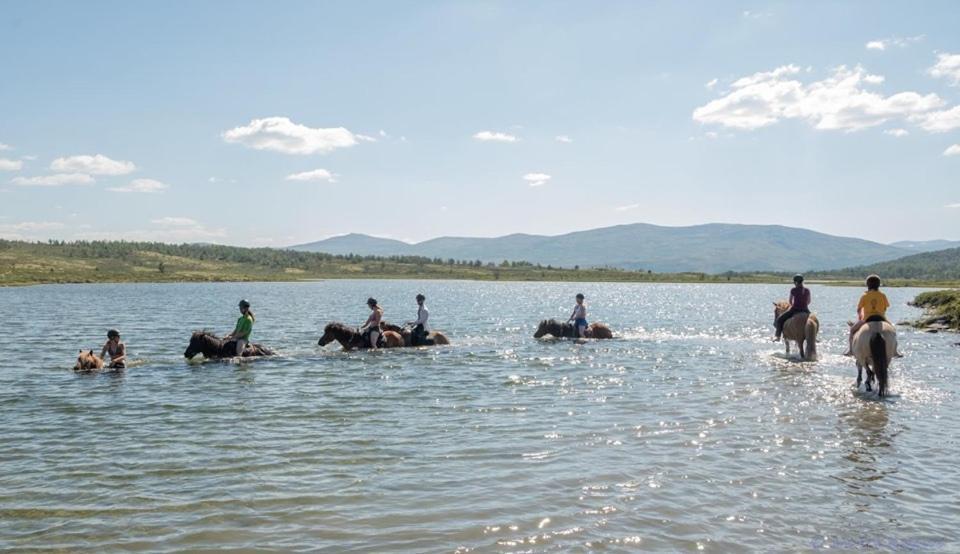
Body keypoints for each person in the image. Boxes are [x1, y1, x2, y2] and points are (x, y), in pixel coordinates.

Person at [844, 274, 891, 356]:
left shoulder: (864, 295)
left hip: (867, 319)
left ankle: (850, 350)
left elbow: (859, 309)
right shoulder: (883, 295)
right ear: (879, 285)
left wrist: (860, 318)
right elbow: (885, 308)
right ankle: (896, 351)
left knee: (852, 330)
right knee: (893, 330)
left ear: (867, 285)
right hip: (881, 318)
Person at [774, 274, 811, 341]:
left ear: (795, 282)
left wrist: (794, 305)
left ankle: (778, 336)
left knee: (779, 320)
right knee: (814, 321)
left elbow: (790, 301)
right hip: (805, 309)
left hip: (795, 309)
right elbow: (809, 301)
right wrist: (804, 305)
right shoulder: (807, 290)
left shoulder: (793, 290)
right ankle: (814, 337)